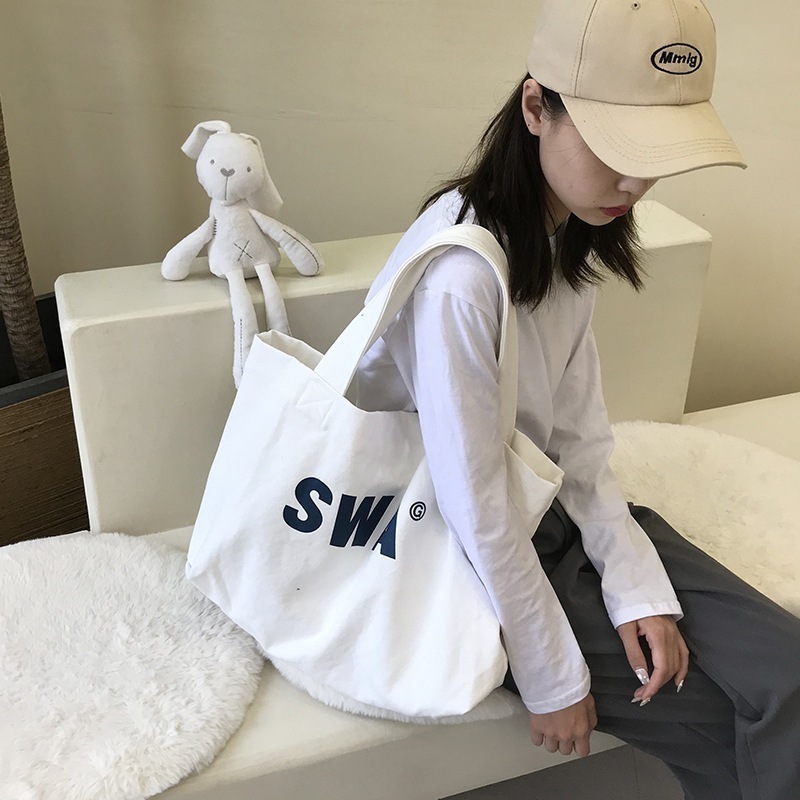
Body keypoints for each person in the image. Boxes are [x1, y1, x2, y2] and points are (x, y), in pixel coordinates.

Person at [354, 1, 800, 798]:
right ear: (537, 108)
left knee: (789, 673)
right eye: (615, 148)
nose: (635, 181)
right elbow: (473, 505)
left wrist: (636, 585)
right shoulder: (462, 276)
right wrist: (551, 673)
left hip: (545, 513)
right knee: (740, 732)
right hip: (457, 550)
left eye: (657, 153)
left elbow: (583, 441)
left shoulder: (562, 237)